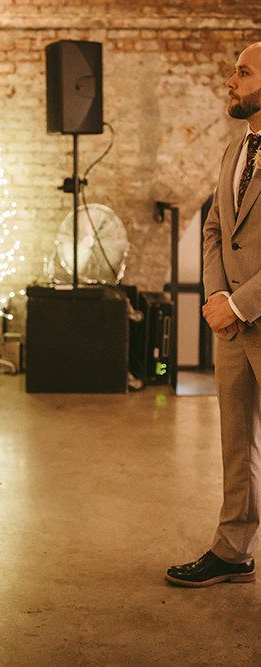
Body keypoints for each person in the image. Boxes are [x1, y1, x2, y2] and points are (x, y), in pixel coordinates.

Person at [166, 42, 261, 587]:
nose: (231, 81)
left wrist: (241, 303)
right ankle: (234, 550)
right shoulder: (235, 149)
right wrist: (218, 297)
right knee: (237, 447)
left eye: (243, 73)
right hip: (233, 331)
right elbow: (214, 228)